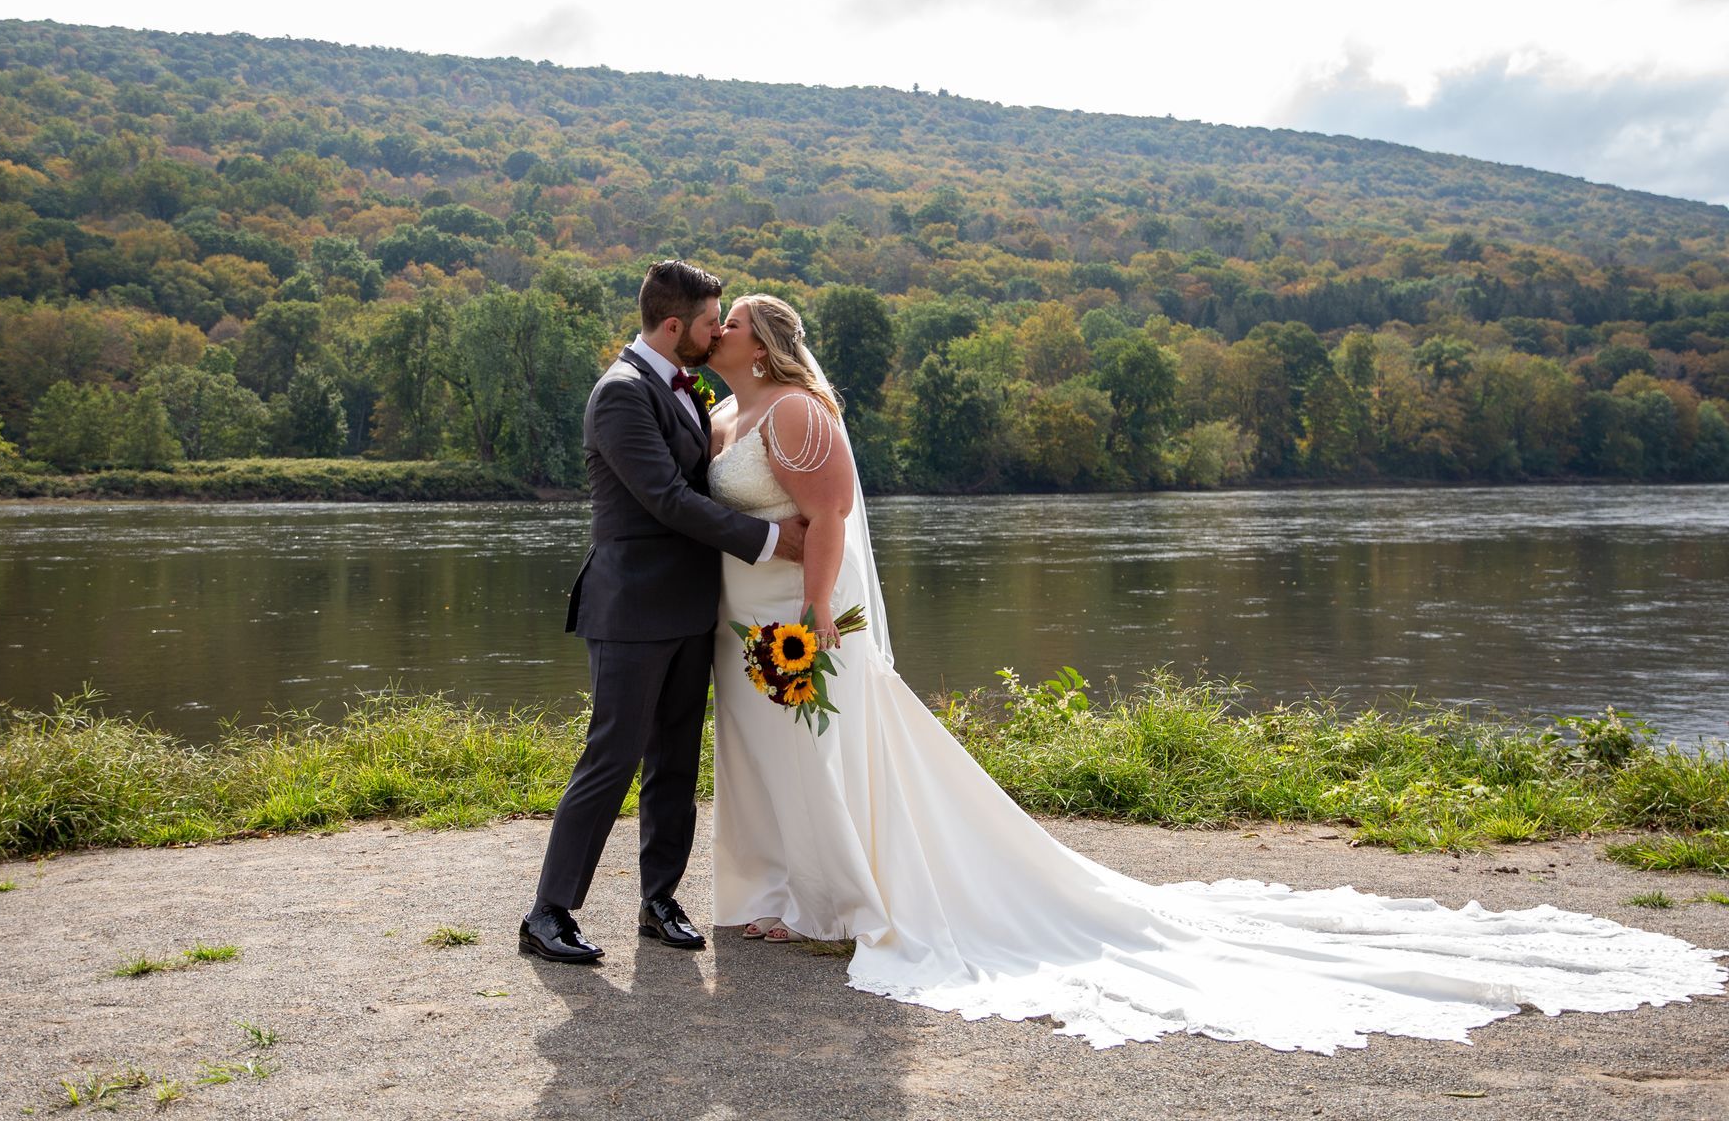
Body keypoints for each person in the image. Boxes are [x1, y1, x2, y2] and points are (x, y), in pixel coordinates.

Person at [701, 292, 1726, 1051]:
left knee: (825, 752)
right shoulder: (727, 414)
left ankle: (839, 899)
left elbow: (829, 519)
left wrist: (816, 620)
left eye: (736, 319)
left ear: (768, 339)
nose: (724, 329)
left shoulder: (796, 412)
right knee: (775, 762)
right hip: (741, 618)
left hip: (802, 625)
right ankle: (788, 891)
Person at [520, 262, 805, 966]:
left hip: (687, 608)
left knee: (675, 760)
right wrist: (772, 540)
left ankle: (658, 901)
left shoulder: (685, 389)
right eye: (712, 322)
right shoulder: (620, 394)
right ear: (675, 326)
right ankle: (548, 912)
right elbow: (667, 501)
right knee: (611, 756)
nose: (718, 333)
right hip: (630, 607)